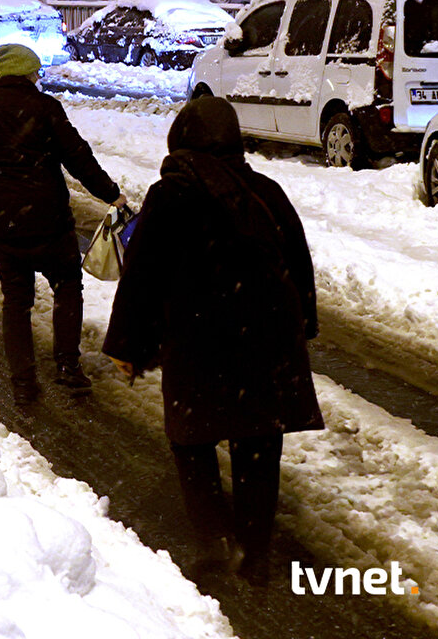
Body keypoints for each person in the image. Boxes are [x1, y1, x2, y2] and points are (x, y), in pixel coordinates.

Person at [103, 96, 323, 585]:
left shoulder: (170, 197)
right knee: (258, 447)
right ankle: (255, 548)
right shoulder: (265, 191)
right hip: (265, 343)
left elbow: (141, 280)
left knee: (192, 441)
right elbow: (299, 267)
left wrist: (128, 347)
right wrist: (302, 326)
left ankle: (213, 539)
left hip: (198, 344)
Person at [0, 43, 126, 405]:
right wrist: (110, 193)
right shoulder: (46, 109)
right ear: (30, 74)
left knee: (16, 300)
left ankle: (24, 381)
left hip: (4, 225)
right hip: (49, 223)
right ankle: (67, 366)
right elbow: (78, 157)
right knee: (66, 287)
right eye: (36, 72)